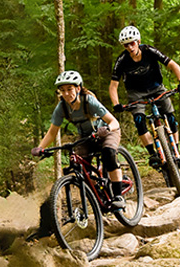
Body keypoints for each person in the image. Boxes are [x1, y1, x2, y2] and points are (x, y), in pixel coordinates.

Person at [31, 70, 125, 209]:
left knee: (108, 153)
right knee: (78, 167)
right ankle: (98, 193)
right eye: (63, 90)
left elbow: (114, 122)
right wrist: (40, 148)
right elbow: (52, 132)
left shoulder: (89, 101)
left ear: (78, 88)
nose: (67, 93)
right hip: (87, 138)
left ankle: (118, 196)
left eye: (70, 89)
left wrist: (107, 129)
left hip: (106, 132)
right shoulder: (62, 107)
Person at [109, 25, 180, 168]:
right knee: (139, 120)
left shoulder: (149, 51)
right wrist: (116, 104)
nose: (130, 47)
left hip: (157, 87)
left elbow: (172, 64)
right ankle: (153, 154)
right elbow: (113, 85)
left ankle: (176, 152)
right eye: (126, 45)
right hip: (136, 93)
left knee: (170, 116)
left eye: (132, 43)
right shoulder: (122, 60)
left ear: (138, 41)